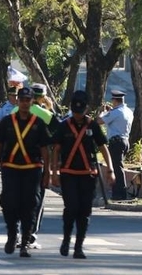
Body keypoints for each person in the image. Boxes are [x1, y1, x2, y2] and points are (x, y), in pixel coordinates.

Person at [51, 90, 116, 259]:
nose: (78, 114)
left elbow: (103, 148)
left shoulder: (92, 125)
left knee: (85, 211)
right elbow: (56, 149)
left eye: (81, 111)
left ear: (86, 108)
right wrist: (54, 172)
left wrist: (110, 170)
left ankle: (78, 246)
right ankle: (66, 240)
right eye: (76, 111)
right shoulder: (64, 125)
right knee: (71, 208)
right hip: (68, 173)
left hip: (88, 174)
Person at [0, 87, 50, 258]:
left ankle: (24, 243)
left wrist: (48, 172)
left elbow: (45, 149)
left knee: (30, 205)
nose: (24, 103)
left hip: (32, 169)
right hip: (11, 168)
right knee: (9, 203)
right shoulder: (8, 122)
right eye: (21, 99)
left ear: (32, 102)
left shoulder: (38, 123)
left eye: (27, 100)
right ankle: (11, 234)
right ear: (18, 101)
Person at [97, 90, 134, 200]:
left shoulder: (116, 112)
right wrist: (110, 112)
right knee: (118, 167)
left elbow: (99, 121)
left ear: (115, 100)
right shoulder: (128, 111)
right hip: (125, 141)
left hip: (116, 142)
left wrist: (102, 112)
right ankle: (119, 192)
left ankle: (119, 194)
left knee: (116, 168)